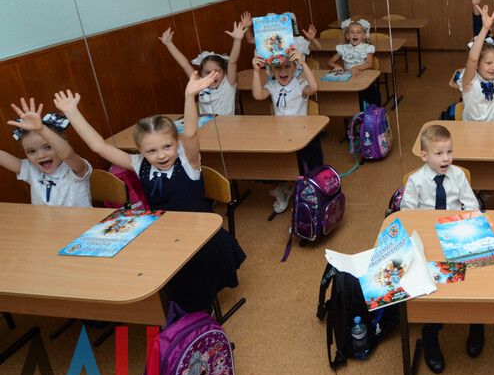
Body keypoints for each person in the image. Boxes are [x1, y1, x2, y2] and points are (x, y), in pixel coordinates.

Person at [53, 75, 246, 313]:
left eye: (167, 147)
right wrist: (72, 113)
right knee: (146, 265)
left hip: (201, 234)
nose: (161, 155)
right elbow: (99, 146)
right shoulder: (139, 164)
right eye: (151, 150)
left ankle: (200, 311)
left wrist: (189, 96)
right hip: (164, 232)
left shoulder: (188, 162)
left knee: (191, 280)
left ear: (177, 143)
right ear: (140, 151)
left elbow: (191, 134)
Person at [401, 124, 482, 374]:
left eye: (449, 152)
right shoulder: (416, 181)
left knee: (474, 276)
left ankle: (477, 322)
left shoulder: (458, 176)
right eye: (438, 153)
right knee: (434, 283)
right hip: (428, 238)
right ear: (424, 155)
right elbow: (406, 215)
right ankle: (431, 330)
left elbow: (472, 207)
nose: (446, 158)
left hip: (456, 235)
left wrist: (460, 223)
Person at [252, 49, 322, 213]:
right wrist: (256, 71)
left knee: (311, 152)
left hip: (301, 132)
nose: (283, 71)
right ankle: (283, 186)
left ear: (294, 68)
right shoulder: (272, 85)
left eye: (287, 67)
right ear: (271, 70)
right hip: (281, 133)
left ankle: (310, 186)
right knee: (269, 157)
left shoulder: (299, 85)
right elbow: (258, 95)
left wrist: (303, 63)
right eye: (278, 68)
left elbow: (314, 88)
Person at [0, 97, 91, 207]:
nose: (41, 155)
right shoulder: (31, 170)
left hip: (80, 219)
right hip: (44, 219)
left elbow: (67, 154)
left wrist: (41, 129)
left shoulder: (76, 169)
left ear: (64, 143)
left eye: (48, 147)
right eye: (31, 151)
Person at [159, 16, 247, 116]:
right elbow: (185, 64)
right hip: (207, 124)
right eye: (207, 72)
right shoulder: (200, 84)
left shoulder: (228, 84)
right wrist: (169, 43)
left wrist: (237, 40)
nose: (212, 75)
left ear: (224, 73)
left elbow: (232, 62)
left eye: (217, 71)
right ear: (201, 73)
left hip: (228, 124)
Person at [459, 5, 494, 122]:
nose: (493, 67)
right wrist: (485, 28)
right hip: (472, 130)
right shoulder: (469, 81)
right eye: (488, 63)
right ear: (477, 64)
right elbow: (472, 59)